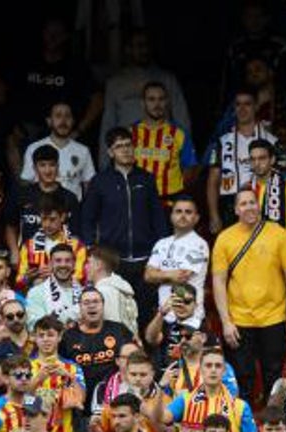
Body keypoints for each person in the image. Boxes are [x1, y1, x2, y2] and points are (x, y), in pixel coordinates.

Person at [211, 188, 286, 404]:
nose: (249, 207)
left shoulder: (279, 234)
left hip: (274, 316)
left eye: (252, 202)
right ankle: (243, 426)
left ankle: (272, 426)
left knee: (273, 375)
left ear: (259, 205)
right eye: (243, 204)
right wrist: (225, 321)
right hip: (239, 319)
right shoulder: (225, 238)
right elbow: (218, 281)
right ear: (235, 209)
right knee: (242, 377)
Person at [80, 127, 166, 330]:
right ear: (110, 152)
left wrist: (161, 251)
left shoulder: (146, 179)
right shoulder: (100, 181)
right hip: (113, 260)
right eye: (119, 146)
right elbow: (87, 218)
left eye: (128, 145)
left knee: (146, 311)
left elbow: (159, 217)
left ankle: (147, 356)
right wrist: (93, 249)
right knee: (115, 313)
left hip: (146, 259)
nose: (125, 150)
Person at [206, 89, 280, 236]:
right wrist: (214, 215)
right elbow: (212, 181)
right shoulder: (222, 141)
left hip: (262, 203)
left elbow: (280, 179)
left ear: (256, 107)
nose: (242, 109)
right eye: (238, 104)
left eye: (247, 104)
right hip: (230, 206)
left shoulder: (272, 141)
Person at [131, 83, 198, 209]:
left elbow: (190, 169)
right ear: (142, 103)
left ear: (167, 102)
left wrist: (177, 193)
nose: (157, 104)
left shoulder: (179, 133)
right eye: (151, 99)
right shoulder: (131, 133)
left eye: (161, 99)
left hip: (169, 202)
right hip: (137, 201)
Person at [144, 197, 208, 329]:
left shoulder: (199, 244)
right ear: (171, 216)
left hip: (190, 319)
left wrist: (159, 274)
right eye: (178, 211)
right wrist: (169, 275)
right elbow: (147, 276)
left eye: (188, 212)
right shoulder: (161, 243)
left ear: (196, 218)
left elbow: (182, 277)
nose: (183, 215)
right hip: (164, 316)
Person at [19, 101, 95, 200]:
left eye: (67, 116)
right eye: (58, 116)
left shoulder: (83, 150)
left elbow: (88, 184)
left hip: (73, 209)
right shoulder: (33, 148)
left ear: (72, 121)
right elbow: (26, 182)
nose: (63, 121)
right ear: (49, 121)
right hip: (41, 208)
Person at [246, 139, 286, 254]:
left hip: (280, 252)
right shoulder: (246, 188)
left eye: (262, 158)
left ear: (272, 160)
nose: (257, 163)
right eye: (253, 159)